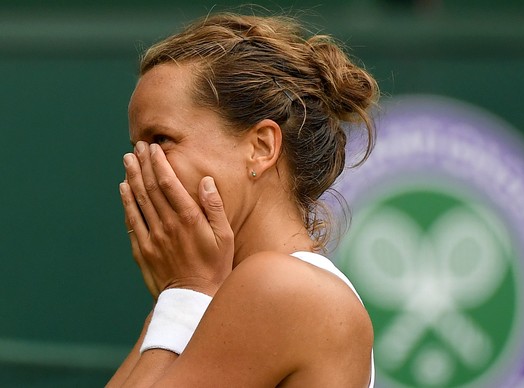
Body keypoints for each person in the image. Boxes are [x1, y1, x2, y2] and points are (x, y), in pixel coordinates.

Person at [107, 11, 379, 388]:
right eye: (136, 148)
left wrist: (186, 290)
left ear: (261, 147)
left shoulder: (279, 285)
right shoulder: (212, 291)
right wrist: (180, 295)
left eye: (161, 140)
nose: (140, 167)